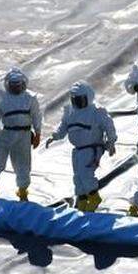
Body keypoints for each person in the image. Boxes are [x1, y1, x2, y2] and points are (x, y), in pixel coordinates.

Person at [45, 82, 117, 212]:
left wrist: (111, 142)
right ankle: (82, 200)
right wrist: (54, 136)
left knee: (85, 174)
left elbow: (109, 126)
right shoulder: (70, 112)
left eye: (80, 99)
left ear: (88, 97)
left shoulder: (96, 112)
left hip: (92, 148)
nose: (78, 102)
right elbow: (63, 128)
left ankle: (94, 197)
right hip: (78, 150)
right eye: (75, 100)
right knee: (78, 176)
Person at [0, 68, 42, 201]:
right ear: (8, 84)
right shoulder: (3, 98)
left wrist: (38, 133)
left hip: (23, 134)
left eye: (18, 85)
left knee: (22, 162)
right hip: (7, 131)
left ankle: (23, 191)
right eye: (13, 85)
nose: (16, 88)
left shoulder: (30, 98)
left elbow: (36, 116)